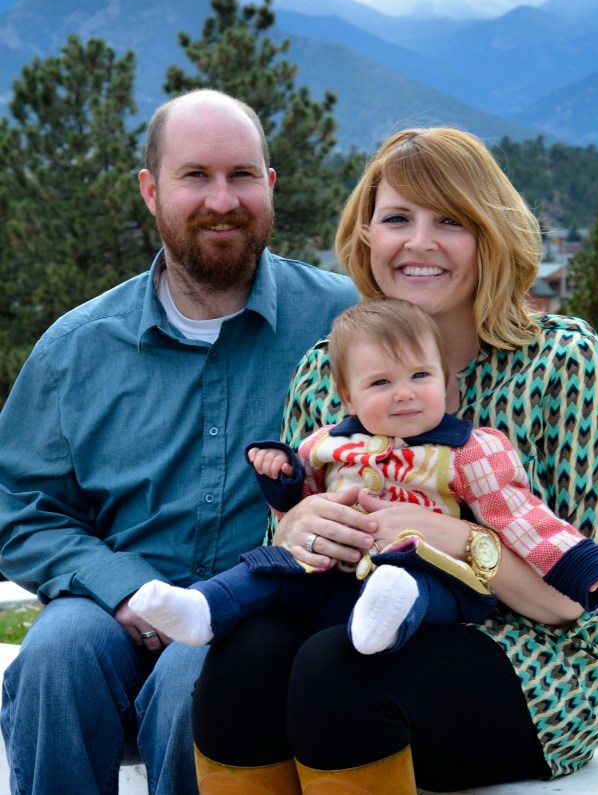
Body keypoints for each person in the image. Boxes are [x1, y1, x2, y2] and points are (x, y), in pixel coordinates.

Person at [189, 126, 598, 795]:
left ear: (488, 234)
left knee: (337, 668)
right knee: (244, 655)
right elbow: (290, 540)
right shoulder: (326, 369)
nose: (418, 242)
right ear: (367, 236)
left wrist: (455, 538)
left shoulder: (560, 360)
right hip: (353, 605)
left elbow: (575, 605)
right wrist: (299, 524)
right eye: (397, 219)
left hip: (533, 655)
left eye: (449, 220)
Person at [0, 88, 358, 795]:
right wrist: (123, 589)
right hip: (109, 606)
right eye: (195, 175)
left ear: (270, 185)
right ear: (151, 190)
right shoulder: (78, 347)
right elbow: (18, 505)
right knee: (54, 655)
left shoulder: (344, 323)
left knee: (197, 678)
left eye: (241, 175)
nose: (222, 200)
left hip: (263, 609)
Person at [130, 296, 598, 657]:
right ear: (348, 398)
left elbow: (522, 518)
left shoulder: (470, 450)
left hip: (435, 575)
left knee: (410, 584)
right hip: (334, 576)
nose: (404, 393)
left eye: (420, 376)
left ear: (447, 384)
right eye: (382, 382)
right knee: (267, 573)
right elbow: (300, 510)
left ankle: (384, 627)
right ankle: (203, 609)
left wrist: (587, 568)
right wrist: (282, 480)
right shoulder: (325, 445)